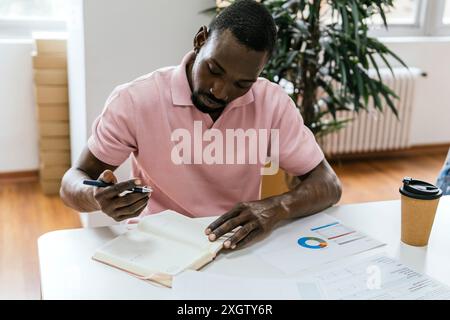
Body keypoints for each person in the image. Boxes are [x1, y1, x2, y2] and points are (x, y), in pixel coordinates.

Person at [60, 0, 342, 250]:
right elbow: (74, 179)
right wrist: (96, 197)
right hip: (156, 245)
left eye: (242, 84)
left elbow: (328, 184)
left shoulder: (272, 103)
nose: (220, 91)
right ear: (200, 40)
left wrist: (276, 207)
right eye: (214, 70)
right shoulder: (136, 100)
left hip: (234, 244)